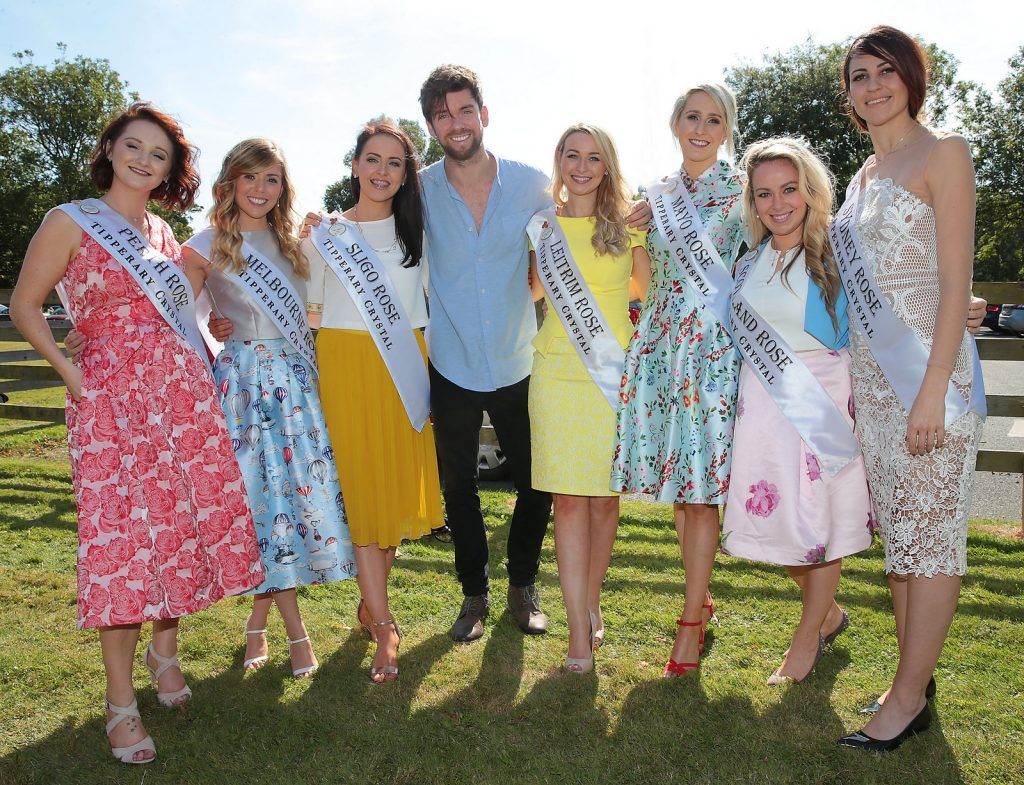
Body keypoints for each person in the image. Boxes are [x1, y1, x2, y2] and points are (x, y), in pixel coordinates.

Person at [9, 102, 263, 764]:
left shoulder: (161, 232)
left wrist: (218, 330)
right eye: (134, 145)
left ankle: (164, 647)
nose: (144, 159)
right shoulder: (69, 220)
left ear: (168, 170)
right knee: (122, 543)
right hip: (109, 403)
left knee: (173, 529)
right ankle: (120, 702)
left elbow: (189, 307)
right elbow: (24, 304)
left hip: (177, 398)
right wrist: (68, 371)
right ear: (112, 148)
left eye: (159, 153)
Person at [833, 26, 986, 751]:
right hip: (876, 388)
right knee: (903, 544)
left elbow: (956, 280)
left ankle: (903, 699)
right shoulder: (860, 178)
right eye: (859, 76)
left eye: (886, 71)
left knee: (931, 545)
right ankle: (912, 686)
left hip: (931, 384)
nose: (873, 86)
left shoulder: (945, 152)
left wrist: (931, 388)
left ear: (912, 78)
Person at [181, 138, 357, 679]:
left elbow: (321, 305)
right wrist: (215, 334)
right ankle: (295, 633)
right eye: (250, 178)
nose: (260, 190)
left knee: (289, 504)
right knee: (260, 503)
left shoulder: (298, 242)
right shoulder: (204, 244)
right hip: (242, 389)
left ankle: (258, 625)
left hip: (298, 386)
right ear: (229, 182)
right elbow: (176, 318)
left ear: (283, 187)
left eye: (271, 179)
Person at [720, 137, 873, 684]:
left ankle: (805, 641)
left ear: (810, 191)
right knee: (776, 522)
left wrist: (967, 302)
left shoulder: (837, 250)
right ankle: (828, 614)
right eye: (764, 194)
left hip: (820, 402)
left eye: (789, 189)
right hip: (761, 407)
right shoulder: (749, 259)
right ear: (752, 202)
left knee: (819, 524)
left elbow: (899, 296)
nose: (777, 203)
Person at [611, 84, 751, 677]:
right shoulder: (655, 196)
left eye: (713, 119)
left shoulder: (745, 195)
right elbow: (640, 281)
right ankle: (701, 596)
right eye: (691, 116)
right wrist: (631, 232)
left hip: (715, 355)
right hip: (664, 350)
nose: (700, 127)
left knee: (699, 497)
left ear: (726, 131)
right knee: (683, 491)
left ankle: (691, 622)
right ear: (674, 123)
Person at [303, 119, 443, 681]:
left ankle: (371, 603)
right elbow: (307, 313)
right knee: (362, 497)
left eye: (395, 162)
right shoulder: (323, 235)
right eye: (373, 159)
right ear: (355, 164)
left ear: (406, 173)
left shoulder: (421, 236)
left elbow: (431, 311)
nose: (382, 171)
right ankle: (385, 626)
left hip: (405, 365)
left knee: (388, 495)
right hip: (346, 366)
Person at [526, 124, 651, 672]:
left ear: (607, 165)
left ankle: (591, 601)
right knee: (568, 502)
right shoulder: (541, 226)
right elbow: (533, 290)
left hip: (612, 375)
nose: (582, 166)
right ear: (559, 162)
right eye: (572, 156)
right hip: (556, 372)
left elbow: (644, 290)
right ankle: (578, 627)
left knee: (604, 503)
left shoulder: (629, 226)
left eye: (593, 157)